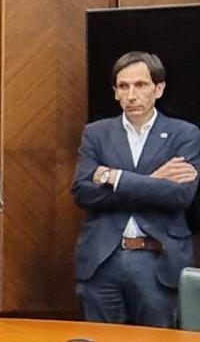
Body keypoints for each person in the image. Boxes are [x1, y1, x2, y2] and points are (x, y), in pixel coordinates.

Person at [71, 51, 200, 327]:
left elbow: (180, 196)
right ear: (115, 93)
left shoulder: (185, 134)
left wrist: (115, 177)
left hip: (158, 261)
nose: (131, 95)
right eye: (123, 86)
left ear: (159, 88)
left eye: (140, 85)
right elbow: (82, 191)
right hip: (103, 261)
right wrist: (155, 180)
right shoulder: (96, 133)